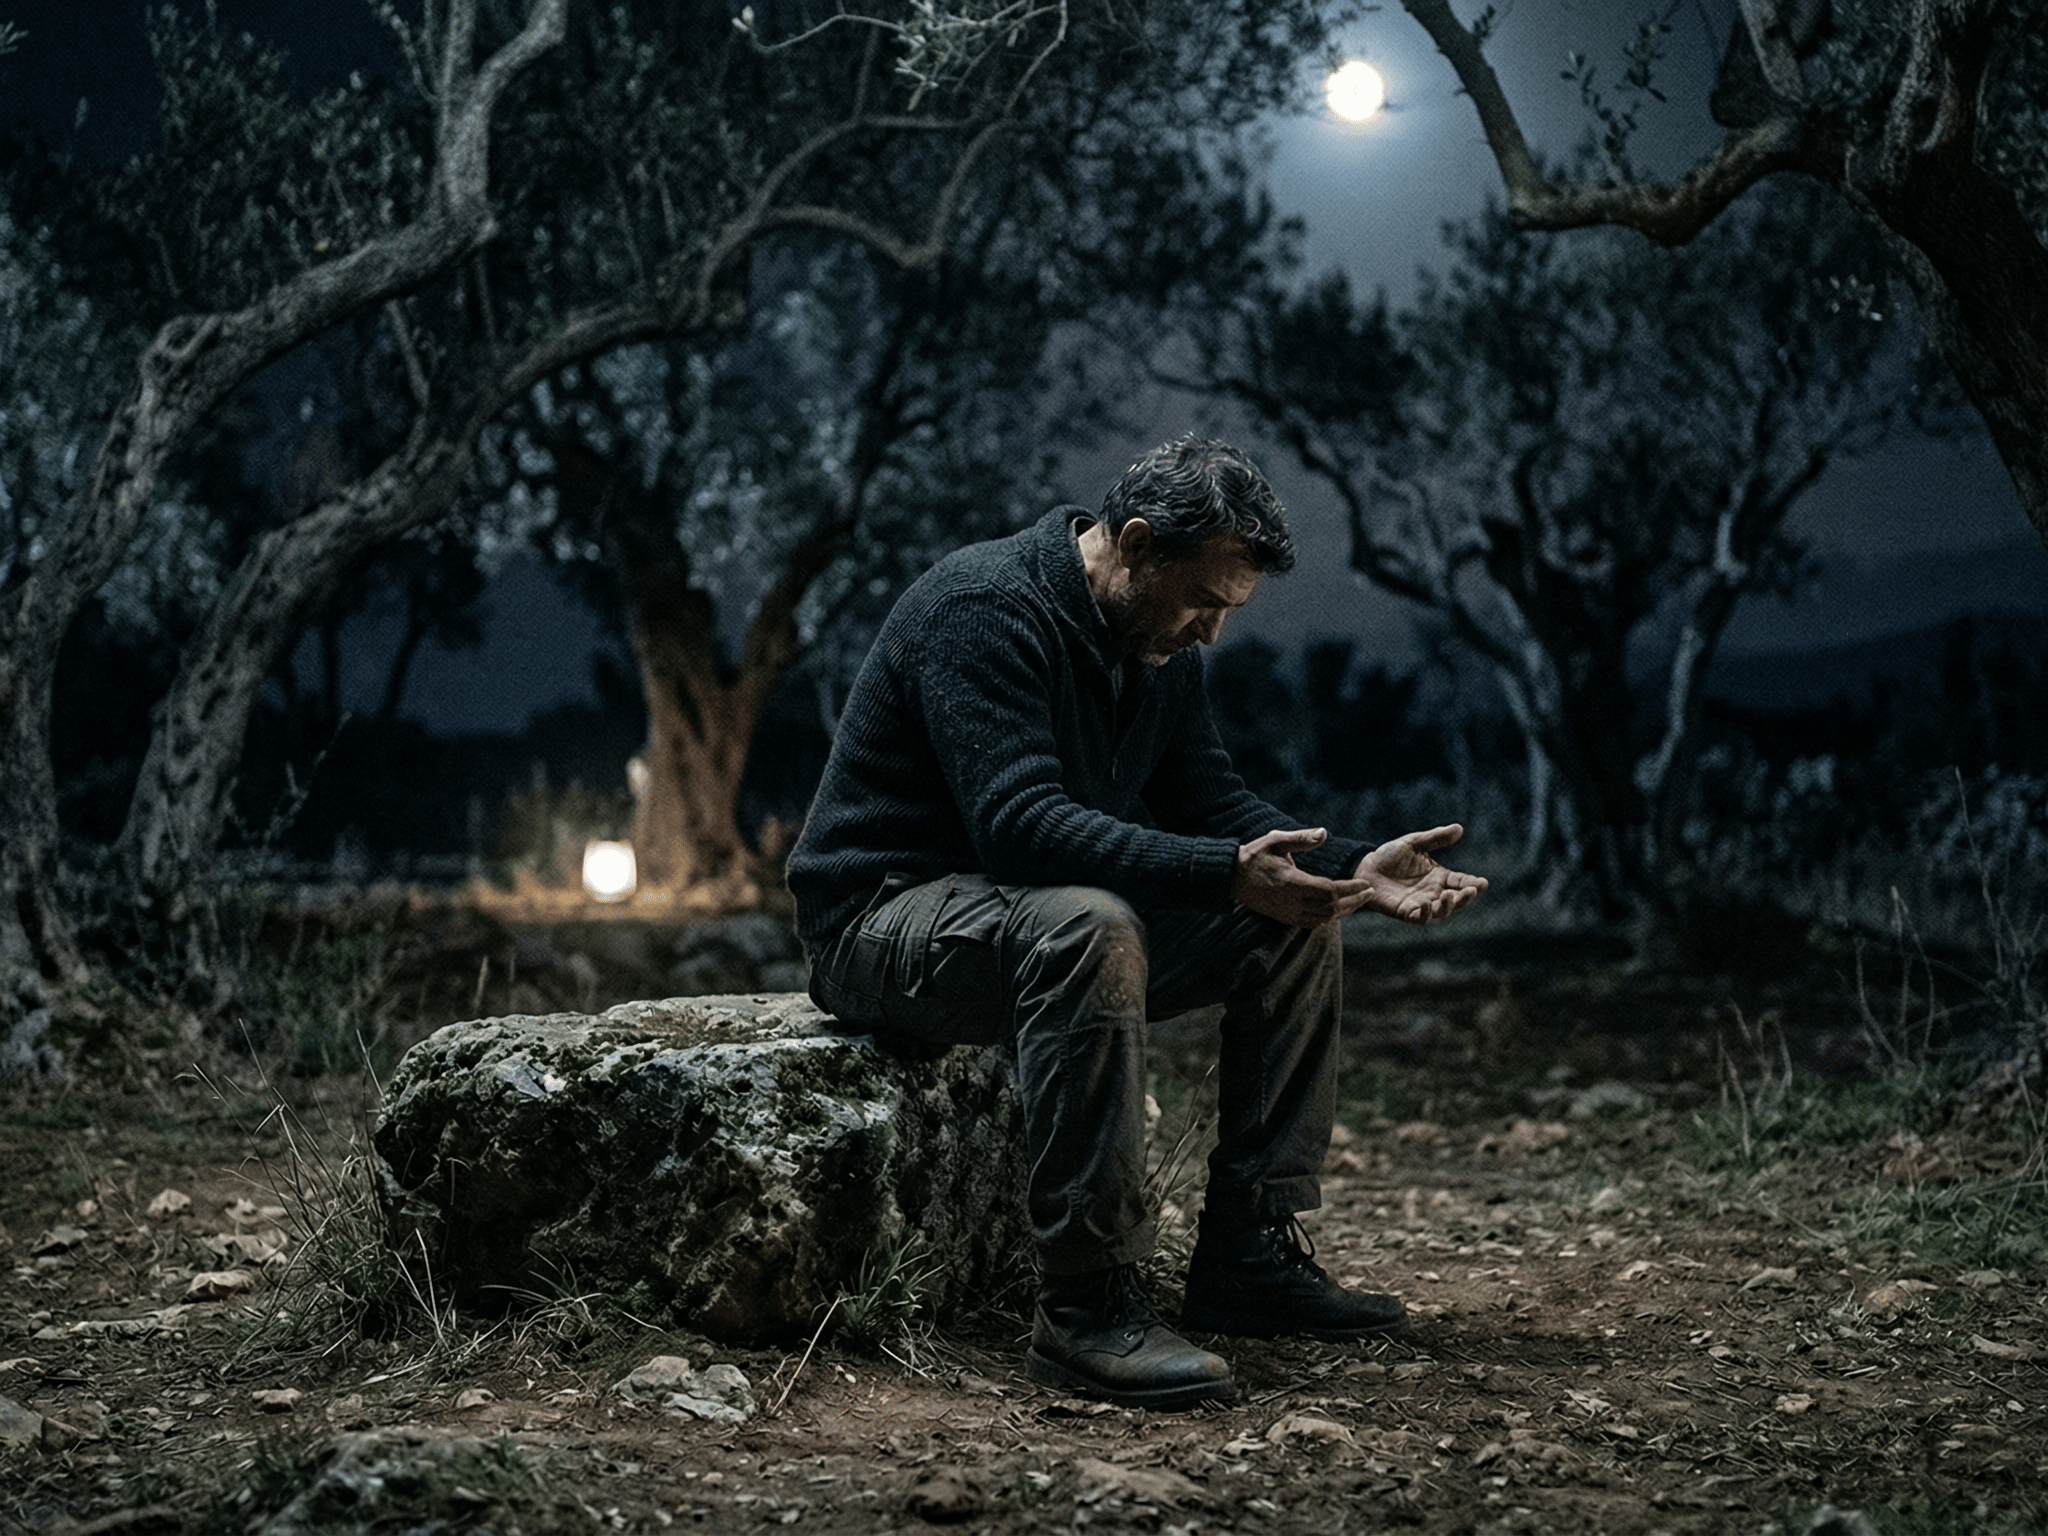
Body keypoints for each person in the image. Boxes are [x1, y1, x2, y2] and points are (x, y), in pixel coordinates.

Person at [786, 434, 1487, 1408]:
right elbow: (1019, 828)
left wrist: (1347, 867)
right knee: (1089, 926)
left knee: (1289, 925)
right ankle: (1086, 1308)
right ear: (1138, 542)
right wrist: (1219, 873)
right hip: (882, 921)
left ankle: (1250, 1255)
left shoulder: (1155, 644)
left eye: (1226, 613)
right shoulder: (983, 608)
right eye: (1204, 603)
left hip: (1014, 917)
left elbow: (1213, 804)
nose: (1210, 634)